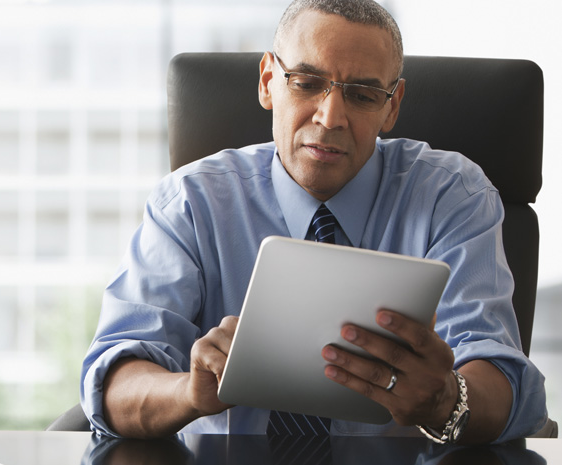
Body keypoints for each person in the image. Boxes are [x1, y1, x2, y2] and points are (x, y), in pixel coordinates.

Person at [80, 0, 549, 444]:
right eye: (306, 83)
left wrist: (444, 399)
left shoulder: (453, 196)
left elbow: (503, 381)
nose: (330, 118)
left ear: (392, 105)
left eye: (363, 95)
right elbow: (113, 386)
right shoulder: (190, 200)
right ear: (268, 80)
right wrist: (189, 392)